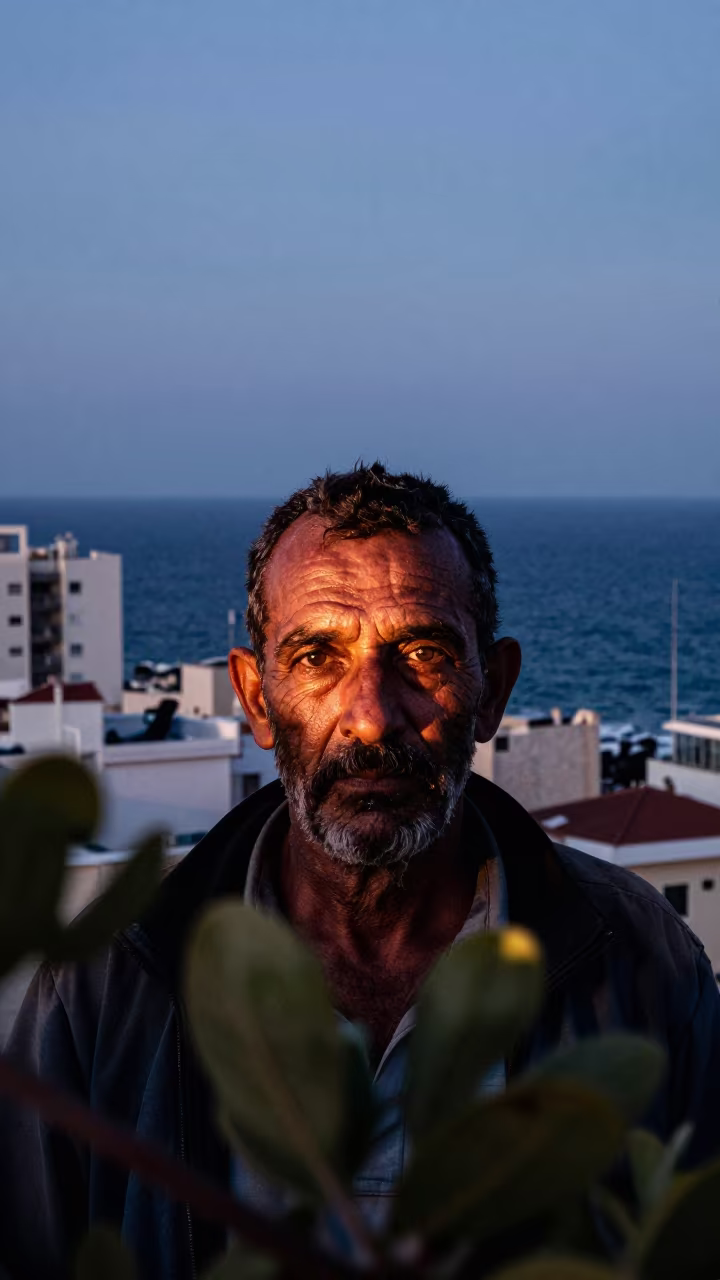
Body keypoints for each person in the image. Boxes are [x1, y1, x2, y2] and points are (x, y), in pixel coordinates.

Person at [2, 462, 720, 1279]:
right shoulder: (109, 990)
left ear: (492, 691)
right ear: (257, 699)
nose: (372, 713)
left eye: (422, 652)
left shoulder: (640, 961)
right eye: (317, 656)